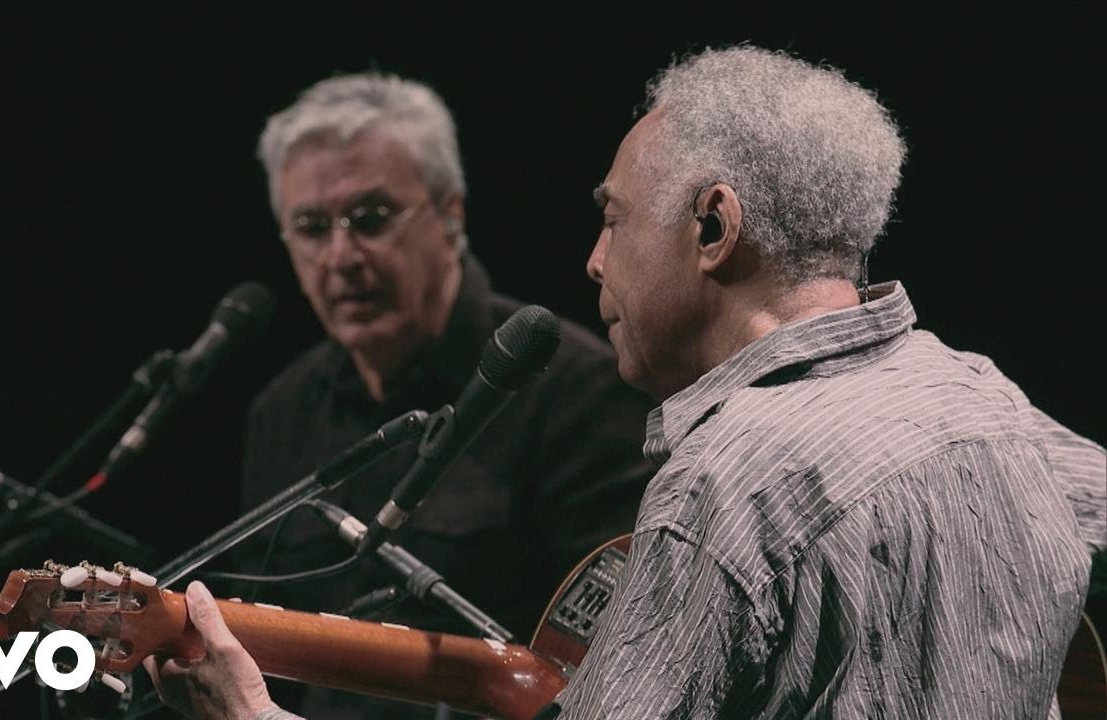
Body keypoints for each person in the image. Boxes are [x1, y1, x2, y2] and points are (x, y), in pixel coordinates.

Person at [146, 48, 1105, 720]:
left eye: (613, 220)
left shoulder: (723, 487)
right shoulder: (987, 400)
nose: (594, 261)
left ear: (713, 229)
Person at [217, 73, 654, 719]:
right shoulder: (281, 412)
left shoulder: (579, 394)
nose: (341, 256)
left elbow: (617, 666)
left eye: (370, 218)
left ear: (451, 215)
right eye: (311, 226)